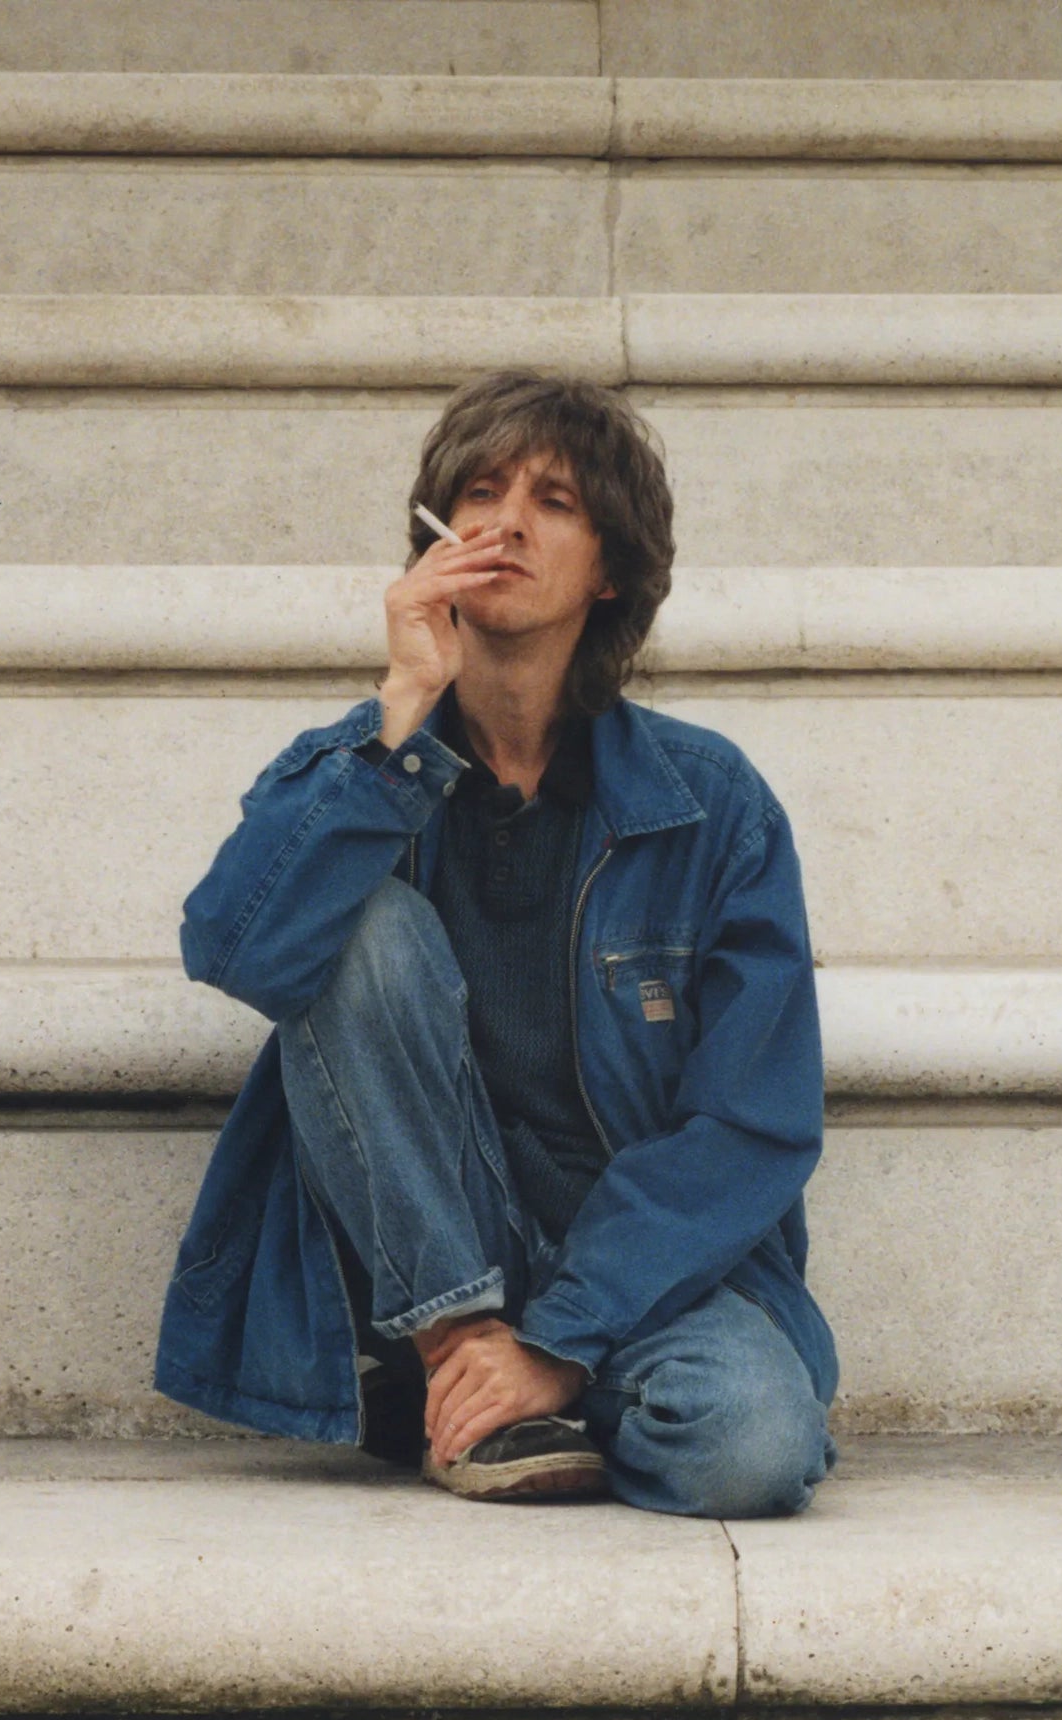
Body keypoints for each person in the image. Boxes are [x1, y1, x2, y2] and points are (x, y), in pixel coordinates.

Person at [153, 369, 839, 1516]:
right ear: (438, 537)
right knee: (352, 918)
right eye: (480, 493)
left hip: (637, 1266)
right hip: (432, 1246)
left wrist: (562, 1341)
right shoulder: (363, 767)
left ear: (609, 570)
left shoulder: (711, 805)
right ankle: (458, 1354)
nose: (507, 522)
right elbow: (237, 948)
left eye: (554, 502)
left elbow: (753, 1121)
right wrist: (402, 713)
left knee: (750, 1447)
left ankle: (505, 1402)